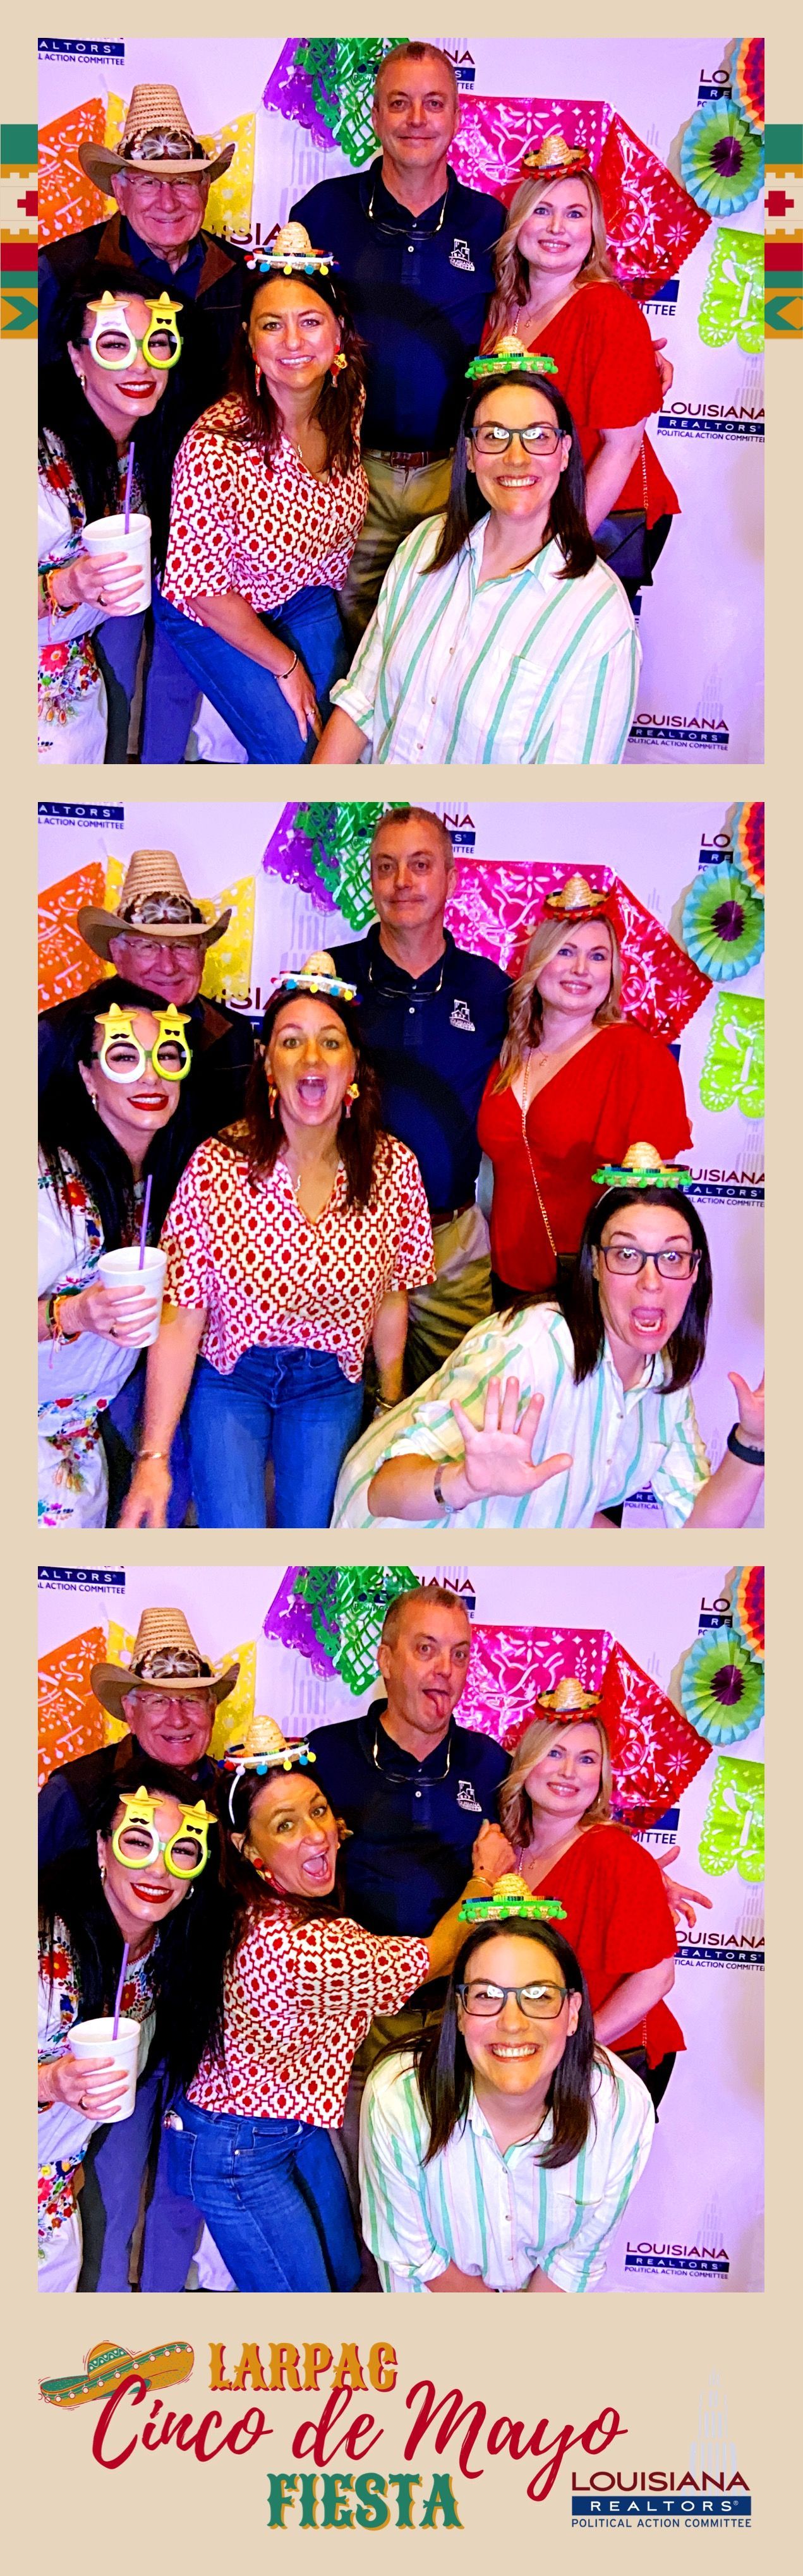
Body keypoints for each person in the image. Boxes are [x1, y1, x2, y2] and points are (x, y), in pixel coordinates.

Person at [162, 1716, 493, 2291]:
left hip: (290, 2124)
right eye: (285, 1824)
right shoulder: (304, 1944)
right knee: (304, 2304)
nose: (315, 1834)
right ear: (246, 1847)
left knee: (343, 2271)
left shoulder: (247, 1898)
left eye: (318, 1811)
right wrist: (484, 1877)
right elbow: (438, 1955)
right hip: (238, 2147)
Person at [119, 955, 434, 1530]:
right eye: (291, 1041)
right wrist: (154, 1457)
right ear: (267, 1062)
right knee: (232, 1532)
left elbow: (392, 1296)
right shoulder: (217, 1165)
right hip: (230, 1378)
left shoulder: (394, 1168)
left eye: (330, 1042)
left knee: (311, 1535)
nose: (311, 1058)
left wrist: (389, 1407)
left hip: (329, 1385)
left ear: (354, 1064)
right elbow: (181, 1313)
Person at [332, 1142, 764, 1528]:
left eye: (671, 1257)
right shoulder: (531, 1347)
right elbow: (383, 1490)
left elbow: (700, 1531)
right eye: (626, 1254)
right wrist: (465, 1481)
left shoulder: (663, 1376)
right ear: (595, 1265)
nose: (650, 1281)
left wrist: (752, 1443)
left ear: (695, 1271)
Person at [313, 340, 639, 765]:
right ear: (469, 455)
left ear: (564, 453)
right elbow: (362, 700)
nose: (516, 458)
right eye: (494, 436)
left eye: (538, 436)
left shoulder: (599, 616)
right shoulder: (424, 546)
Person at [38, 1609, 238, 2295]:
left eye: (195, 1700)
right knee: (101, 2201)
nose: (179, 1717)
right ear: (129, 1707)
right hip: (72, 2034)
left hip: (176, 2033)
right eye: (158, 1700)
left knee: (175, 2198)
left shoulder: (230, 1790)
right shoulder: (77, 1791)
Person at [291, 42, 505, 637]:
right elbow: (272, 322)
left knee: (441, 640)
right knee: (345, 643)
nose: (416, 119)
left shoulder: (490, 222)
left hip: (454, 475)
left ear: (456, 115)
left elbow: (538, 307)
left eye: (433, 103)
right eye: (399, 103)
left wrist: (623, 341)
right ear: (376, 115)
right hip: (345, 471)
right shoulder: (323, 210)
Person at [359, 1886, 655, 2291]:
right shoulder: (398, 2097)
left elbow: (573, 2264)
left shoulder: (620, 2107)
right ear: (459, 2012)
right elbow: (419, 2258)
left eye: (539, 1995)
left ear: (572, 2013)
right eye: (486, 1995)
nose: (512, 2023)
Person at [155, 232, 368, 763]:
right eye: (272, 325)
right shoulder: (215, 444)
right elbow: (204, 592)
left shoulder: (349, 404)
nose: (293, 341)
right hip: (214, 608)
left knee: (345, 740)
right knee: (297, 754)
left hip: (301, 592)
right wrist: (286, 665)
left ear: (339, 332)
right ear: (249, 339)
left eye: (310, 321)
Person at [329, 806, 509, 1386]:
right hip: (342, 1234)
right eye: (386, 866)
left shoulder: (490, 989)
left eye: (420, 865)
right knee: (344, 1408)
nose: (401, 881)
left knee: (459, 1405)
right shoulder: (329, 978)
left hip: (450, 1242)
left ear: (451, 878)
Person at [484, 133, 679, 601]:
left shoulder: (606, 308)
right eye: (542, 210)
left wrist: (560, 551)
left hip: (600, 516)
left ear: (593, 229)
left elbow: (622, 446)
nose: (557, 228)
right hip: (531, 512)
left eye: (575, 214)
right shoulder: (502, 308)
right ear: (518, 222)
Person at [473, 1679, 682, 2114]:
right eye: (554, 1753)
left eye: (587, 1759)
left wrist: (577, 2048)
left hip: (615, 2055)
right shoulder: (508, 1852)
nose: (569, 1771)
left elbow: (657, 1976)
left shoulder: (614, 1852)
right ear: (527, 1762)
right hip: (538, 2058)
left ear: (600, 1777)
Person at [477, 877, 692, 1300]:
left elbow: (655, 1204)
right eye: (565, 951)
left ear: (612, 970)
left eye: (597, 956)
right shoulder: (509, 1051)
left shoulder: (639, 1057)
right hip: (507, 1279)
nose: (580, 969)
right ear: (539, 961)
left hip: (591, 1285)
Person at [38, 983, 196, 1526]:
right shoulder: (45, 1180)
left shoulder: (163, 1182)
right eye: (124, 1057)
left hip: (78, 1447)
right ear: (88, 1076)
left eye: (167, 1055)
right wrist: (73, 1313)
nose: (151, 1075)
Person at [39, 262, 198, 762]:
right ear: (76, 356)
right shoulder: (37, 453)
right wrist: (64, 587)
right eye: (114, 345)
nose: (141, 365)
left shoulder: (147, 450)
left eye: (157, 343)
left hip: (76, 698)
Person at [39, 83, 246, 400]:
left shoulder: (244, 274)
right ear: (120, 192)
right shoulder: (57, 270)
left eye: (183, 182)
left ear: (205, 190)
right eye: (148, 183)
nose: (168, 203)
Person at [39, 847, 255, 1147]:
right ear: (117, 953)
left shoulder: (234, 1035)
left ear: (203, 954)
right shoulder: (57, 1033)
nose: (167, 966)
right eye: (148, 947)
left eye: (182, 946)